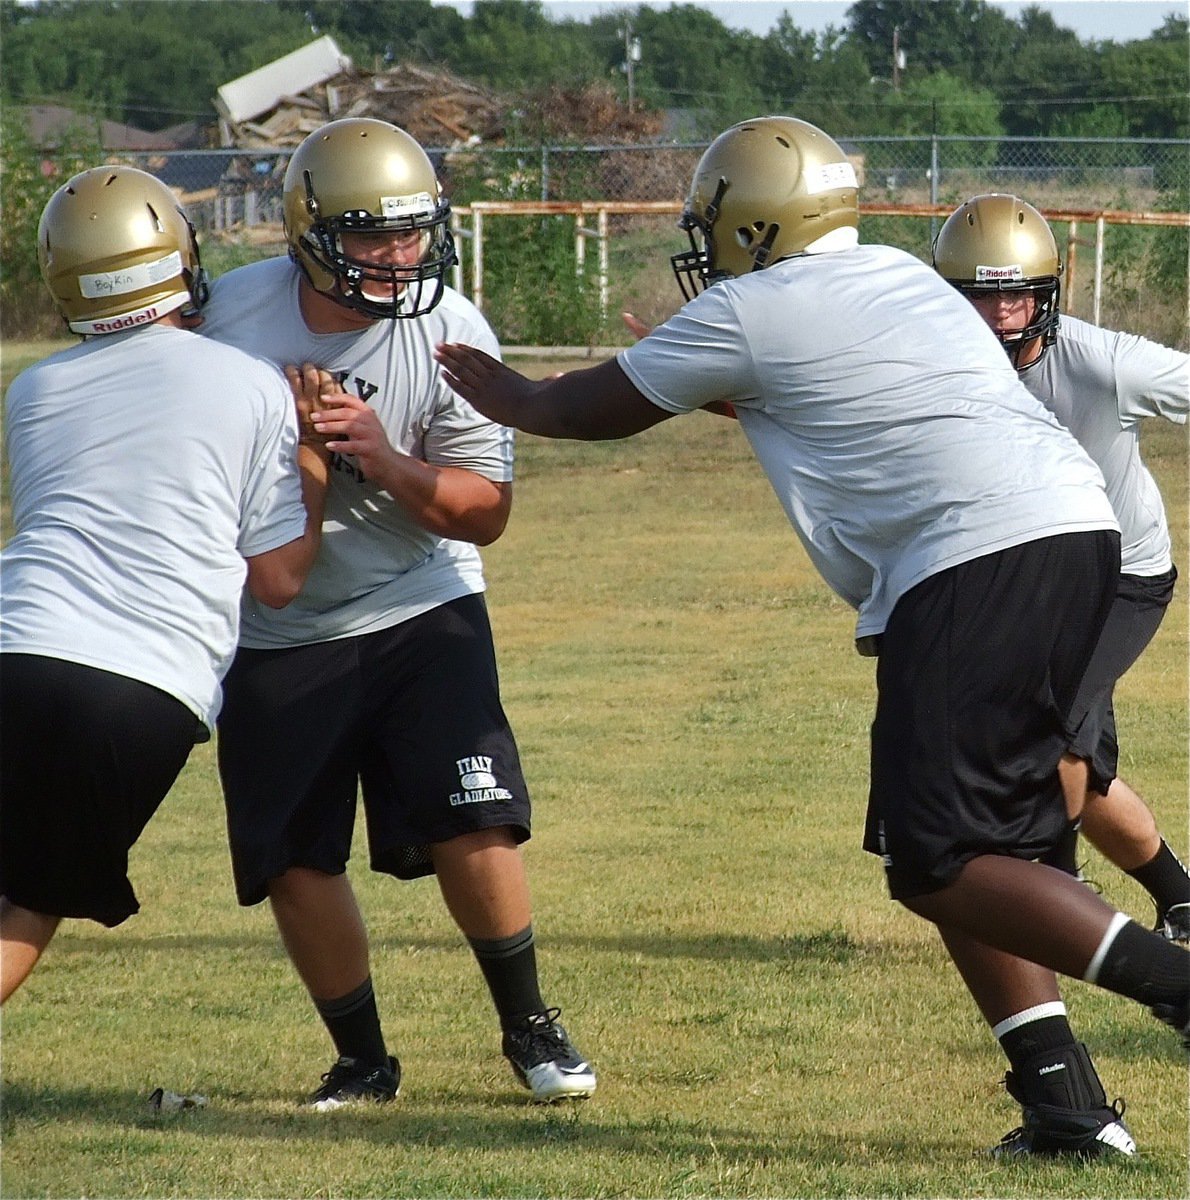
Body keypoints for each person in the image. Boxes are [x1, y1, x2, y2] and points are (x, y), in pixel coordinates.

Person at [434, 115, 1190, 1158]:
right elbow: (838, 395)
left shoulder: (750, 305)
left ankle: (1177, 986)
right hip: (1070, 539)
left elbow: (592, 409)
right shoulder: (898, 274)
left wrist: (509, 393)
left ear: (749, 224)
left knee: (940, 860)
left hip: (973, 559)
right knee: (979, 855)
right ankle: (1063, 1105)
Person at [197, 117, 594, 1109]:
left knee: (474, 815)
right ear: (311, 232)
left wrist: (380, 455)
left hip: (420, 595)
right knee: (291, 857)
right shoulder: (228, 318)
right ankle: (363, 1061)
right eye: (372, 234)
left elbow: (485, 511)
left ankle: (530, 1026)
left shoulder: (451, 327)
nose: (400, 253)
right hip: (279, 623)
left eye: (413, 230)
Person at [1, 166, 326, 1004]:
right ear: (177, 258)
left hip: (13, 645)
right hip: (138, 682)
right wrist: (315, 454)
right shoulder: (247, 380)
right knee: (30, 900)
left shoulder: (32, 390)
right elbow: (279, 578)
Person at [933, 193, 1190, 942]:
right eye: (981, 296)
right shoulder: (933, 366)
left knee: (1053, 735)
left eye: (1018, 294)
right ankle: (1180, 902)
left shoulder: (1102, 363)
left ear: (1049, 292)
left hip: (1121, 576)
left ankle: (1051, 901)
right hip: (1030, 581)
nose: (1002, 314)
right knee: (1080, 762)